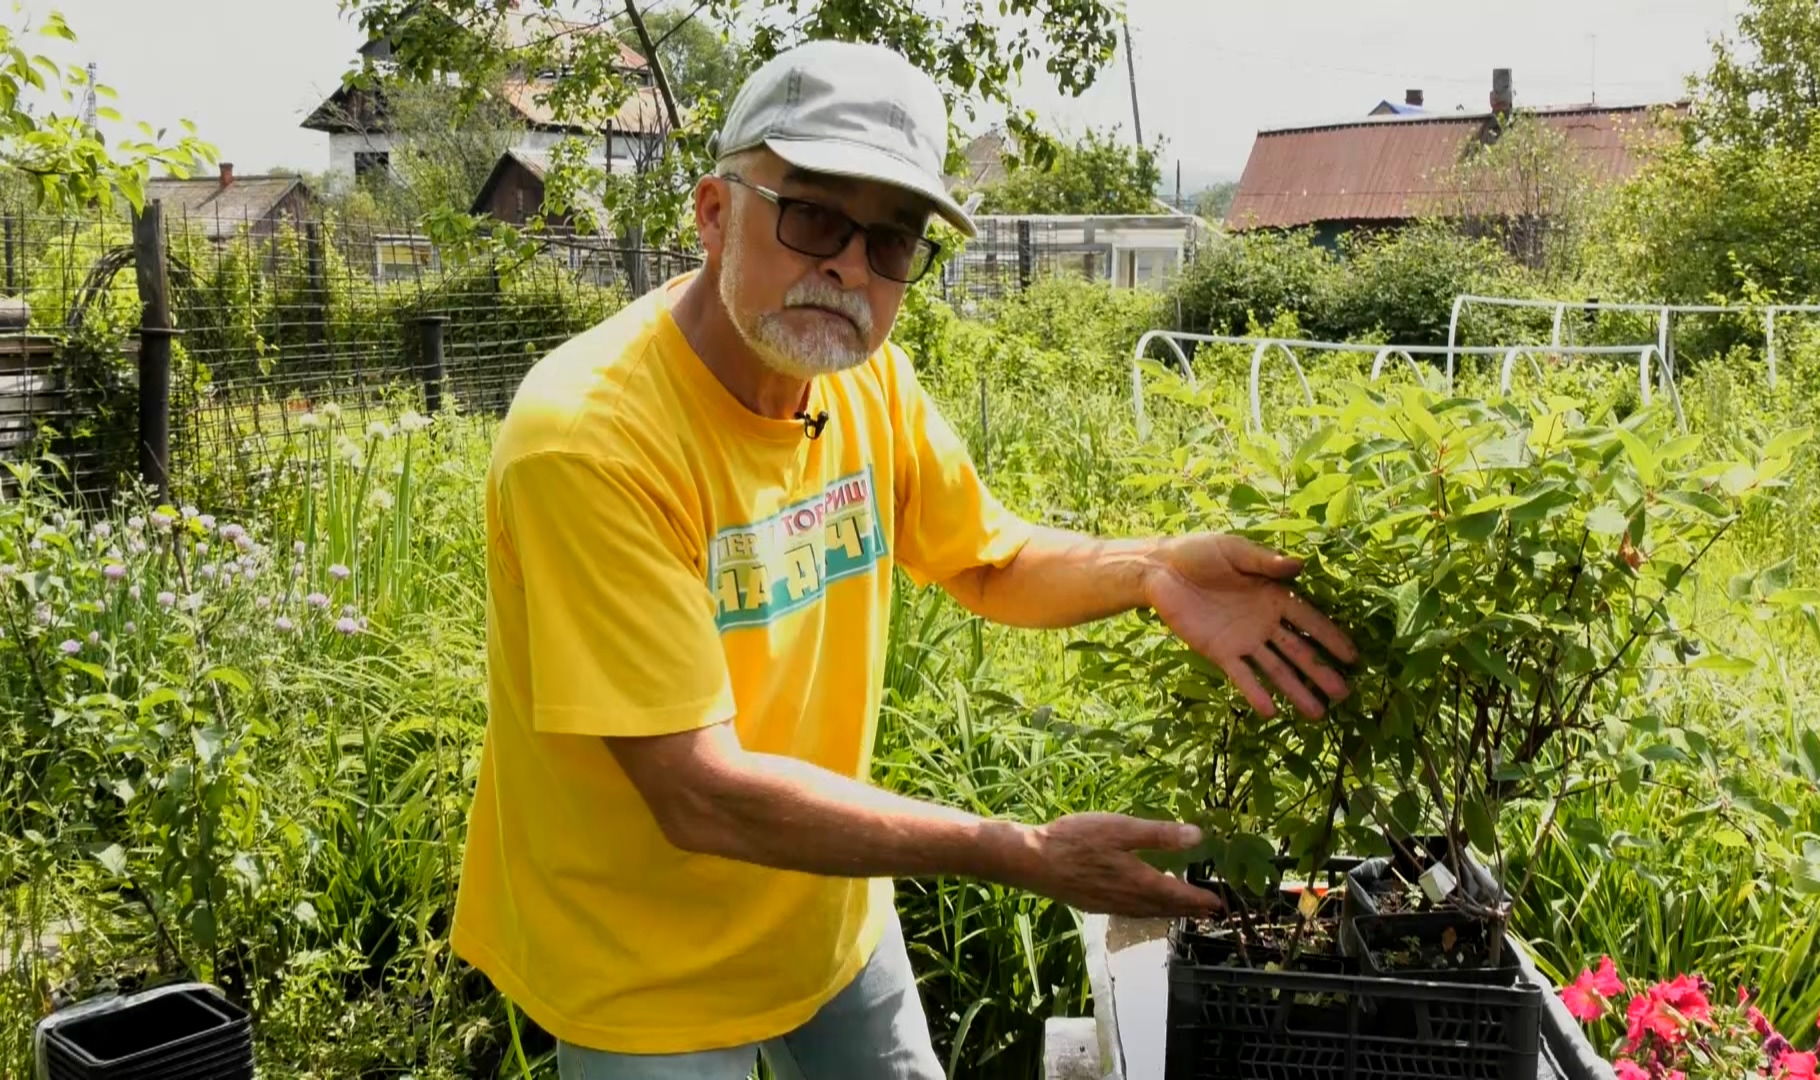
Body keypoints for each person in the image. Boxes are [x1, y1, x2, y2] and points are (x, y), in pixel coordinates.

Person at [450, 37, 1358, 1080]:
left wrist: (1152, 569)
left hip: (827, 907)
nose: (847, 266)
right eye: (812, 215)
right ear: (713, 212)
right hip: (641, 965)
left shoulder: (863, 381)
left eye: (891, 243)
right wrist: (1015, 851)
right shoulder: (592, 438)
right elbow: (697, 791)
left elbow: (987, 560)